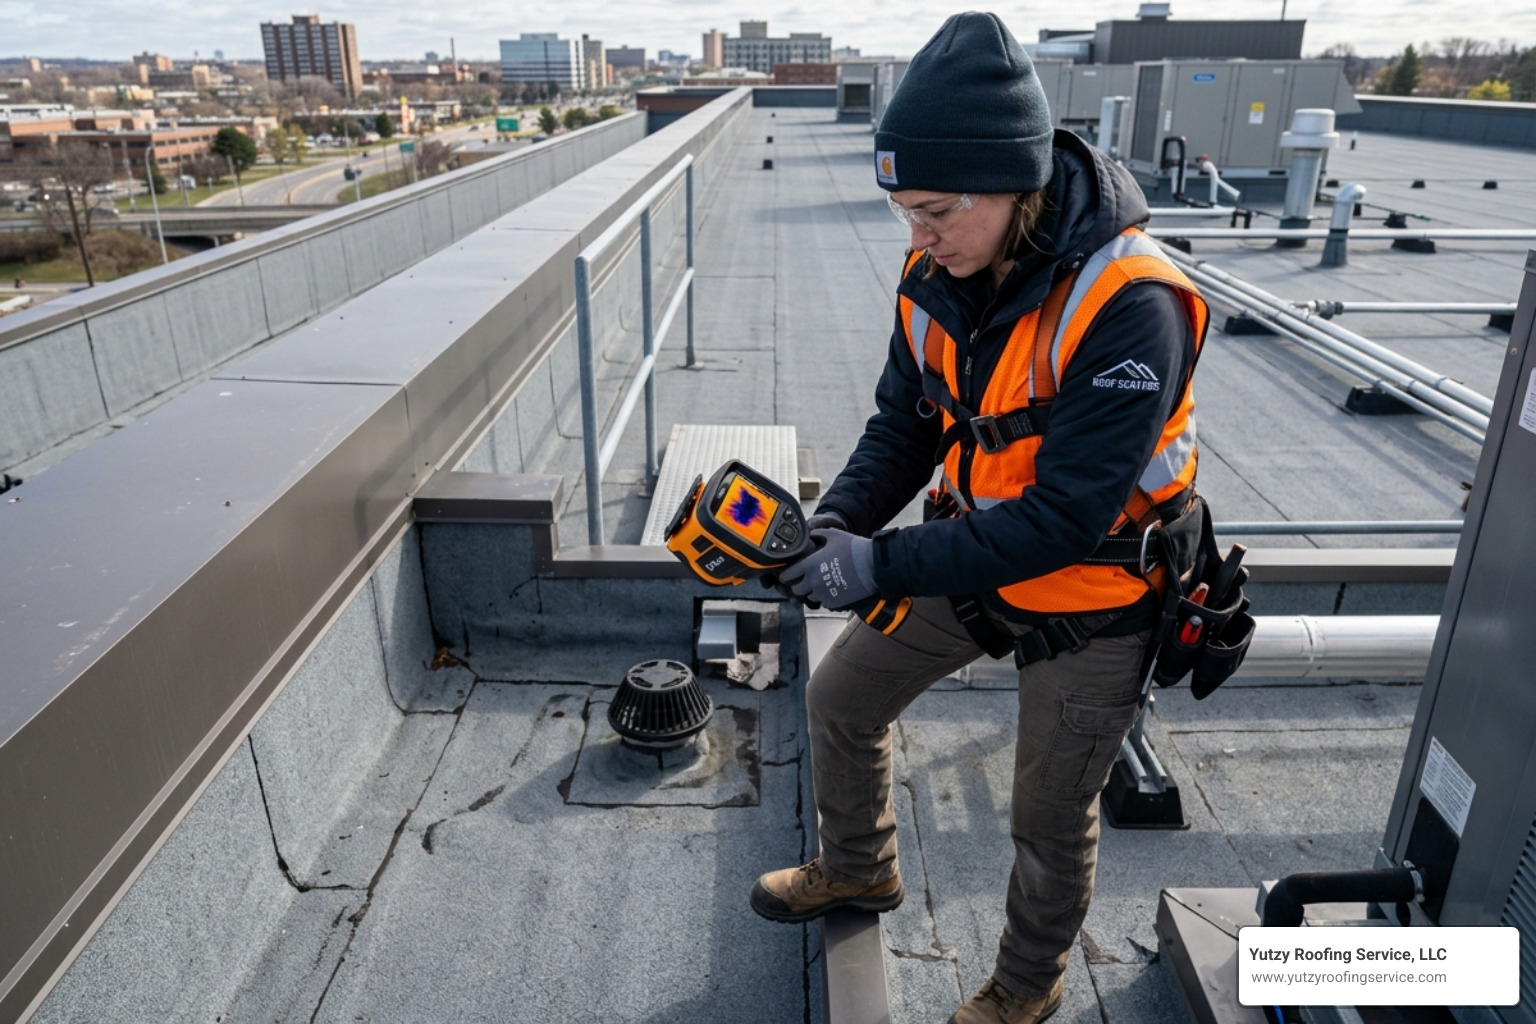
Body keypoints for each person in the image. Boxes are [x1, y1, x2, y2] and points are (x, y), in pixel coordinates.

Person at [749, 13, 1210, 1024]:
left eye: (937, 211)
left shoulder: (1132, 303)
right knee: (842, 701)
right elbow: (902, 425)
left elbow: (1061, 518)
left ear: (1014, 184)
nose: (917, 237)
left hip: (1095, 595)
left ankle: (1027, 984)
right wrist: (836, 527)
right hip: (970, 557)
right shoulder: (935, 273)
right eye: (903, 211)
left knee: (1046, 814)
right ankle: (860, 869)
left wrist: (879, 565)